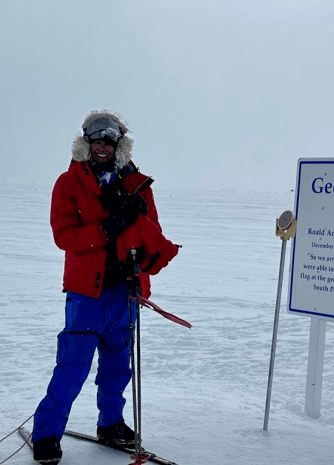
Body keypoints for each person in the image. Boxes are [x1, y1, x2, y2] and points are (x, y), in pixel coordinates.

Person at [31, 110, 179, 464]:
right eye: (95, 142)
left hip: (124, 290)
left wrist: (143, 246)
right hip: (86, 294)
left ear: (117, 146)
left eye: (108, 143)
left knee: (117, 366)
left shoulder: (138, 184)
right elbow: (64, 236)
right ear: (86, 143)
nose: (102, 148)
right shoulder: (68, 183)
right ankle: (47, 434)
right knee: (73, 366)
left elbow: (151, 232)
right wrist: (108, 229)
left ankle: (110, 423)